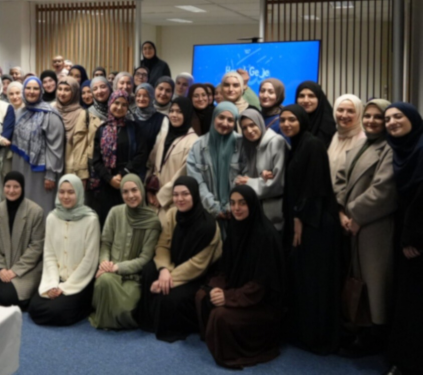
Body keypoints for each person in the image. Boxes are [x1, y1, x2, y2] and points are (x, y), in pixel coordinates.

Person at [195, 185, 284, 368]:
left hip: (261, 304)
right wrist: (216, 288)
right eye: (233, 203)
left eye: (242, 203)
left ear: (252, 205)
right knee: (202, 296)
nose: (236, 208)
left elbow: (261, 287)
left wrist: (227, 297)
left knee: (220, 315)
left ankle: (228, 349)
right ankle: (214, 340)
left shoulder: (266, 236)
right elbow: (225, 269)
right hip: (239, 290)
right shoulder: (235, 228)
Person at [333, 99, 396, 357]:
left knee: (374, 283)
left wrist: (356, 215)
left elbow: (384, 190)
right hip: (352, 223)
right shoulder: (360, 144)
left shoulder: (390, 148)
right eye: (368, 116)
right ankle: (361, 330)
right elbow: (340, 180)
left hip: (374, 226)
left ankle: (375, 335)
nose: (371, 121)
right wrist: (341, 212)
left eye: (378, 117)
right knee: (357, 279)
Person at [279, 104, 341, 354]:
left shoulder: (312, 144)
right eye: (283, 120)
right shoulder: (297, 145)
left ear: (302, 121)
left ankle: (318, 337)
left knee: (315, 281)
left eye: (292, 120)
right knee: (303, 279)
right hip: (304, 219)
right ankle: (304, 332)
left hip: (315, 223)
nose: (286, 124)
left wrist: (299, 219)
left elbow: (314, 187)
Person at [136, 176, 222, 341]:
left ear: (194, 195)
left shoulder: (209, 226)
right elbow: (162, 245)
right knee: (148, 271)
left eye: (185, 194)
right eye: (175, 195)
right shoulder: (172, 214)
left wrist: (168, 279)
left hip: (197, 275)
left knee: (170, 298)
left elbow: (198, 265)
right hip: (173, 265)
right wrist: (164, 270)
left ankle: (170, 328)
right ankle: (149, 322)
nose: (179, 199)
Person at [90, 174, 160, 329]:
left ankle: (110, 315)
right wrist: (104, 263)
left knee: (125, 309)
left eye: (134, 190)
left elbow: (145, 258)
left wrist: (117, 267)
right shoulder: (115, 212)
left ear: (141, 190)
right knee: (104, 281)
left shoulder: (153, 221)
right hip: (109, 273)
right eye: (125, 192)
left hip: (133, 278)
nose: (130, 195)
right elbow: (106, 243)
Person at [384, 103, 423, 375]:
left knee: (414, 299)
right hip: (405, 231)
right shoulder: (402, 149)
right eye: (388, 119)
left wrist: (414, 239)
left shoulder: (420, 149)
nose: (392, 122)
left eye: (398, 116)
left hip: (417, 238)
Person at [30, 174, 100, 326]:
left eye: (71, 192)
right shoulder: (52, 218)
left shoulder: (91, 220)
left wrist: (64, 287)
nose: (65, 196)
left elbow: (90, 260)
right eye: (62, 192)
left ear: (79, 193)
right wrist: (52, 284)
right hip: (57, 278)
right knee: (34, 307)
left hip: (80, 281)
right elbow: (49, 254)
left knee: (57, 311)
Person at [0, 171, 45, 308]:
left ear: (22, 188)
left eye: (16, 187)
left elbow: (36, 247)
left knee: (8, 294)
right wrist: (0, 268)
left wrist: (14, 270)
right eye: (8, 186)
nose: (11, 190)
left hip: (26, 269)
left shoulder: (35, 212)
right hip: (2, 266)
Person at [89, 90, 148, 227]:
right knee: (107, 223)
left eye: (124, 104)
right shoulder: (102, 129)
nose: (120, 107)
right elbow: (96, 160)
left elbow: (141, 154)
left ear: (128, 107)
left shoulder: (134, 128)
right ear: (110, 103)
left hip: (128, 181)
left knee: (127, 223)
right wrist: (109, 179)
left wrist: (122, 174)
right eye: (116, 103)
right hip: (106, 184)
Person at [11, 77, 65, 214]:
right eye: (28, 88)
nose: (31, 91)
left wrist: (50, 175)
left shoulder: (50, 114)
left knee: (40, 207)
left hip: (41, 172)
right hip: (20, 166)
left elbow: (56, 147)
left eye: (35, 88)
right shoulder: (20, 112)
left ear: (41, 91)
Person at [187, 102, 242, 225]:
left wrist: (232, 205)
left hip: (237, 214)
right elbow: (197, 182)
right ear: (213, 118)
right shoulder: (198, 146)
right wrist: (213, 207)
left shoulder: (242, 145)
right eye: (221, 117)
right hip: (207, 213)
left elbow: (245, 178)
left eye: (230, 120)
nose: (225, 123)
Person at [146, 97, 198, 222]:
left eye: (179, 112)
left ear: (187, 114)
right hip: (153, 201)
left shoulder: (193, 142)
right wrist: (149, 190)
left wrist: (162, 197)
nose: (174, 115)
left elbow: (183, 174)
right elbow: (151, 164)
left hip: (173, 203)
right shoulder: (165, 135)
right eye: (172, 111)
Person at [235, 108, 287, 230]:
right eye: (244, 128)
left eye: (252, 125)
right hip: (254, 215)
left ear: (260, 122)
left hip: (274, 219)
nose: (249, 131)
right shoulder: (249, 146)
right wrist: (258, 179)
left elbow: (278, 184)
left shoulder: (276, 142)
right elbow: (240, 178)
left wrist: (250, 182)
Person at [53, 77, 90, 183]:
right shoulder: (51, 110)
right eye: (60, 89)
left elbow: (83, 146)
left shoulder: (82, 114)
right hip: (52, 164)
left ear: (74, 92)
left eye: (67, 90)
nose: (62, 93)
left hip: (71, 165)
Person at [328, 94, 366, 185]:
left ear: (359, 113)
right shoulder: (335, 136)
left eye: (350, 111)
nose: (344, 115)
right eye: (340, 110)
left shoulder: (363, 140)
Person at [295, 81, 336, 146]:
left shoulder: (328, 126)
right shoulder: (292, 122)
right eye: (301, 96)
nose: (306, 100)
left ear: (319, 99)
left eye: (311, 96)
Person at [132, 83, 165, 154]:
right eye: (138, 95)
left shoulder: (161, 119)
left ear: (151, 97)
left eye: (145, 96)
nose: (141, 99)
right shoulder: (130, 117)